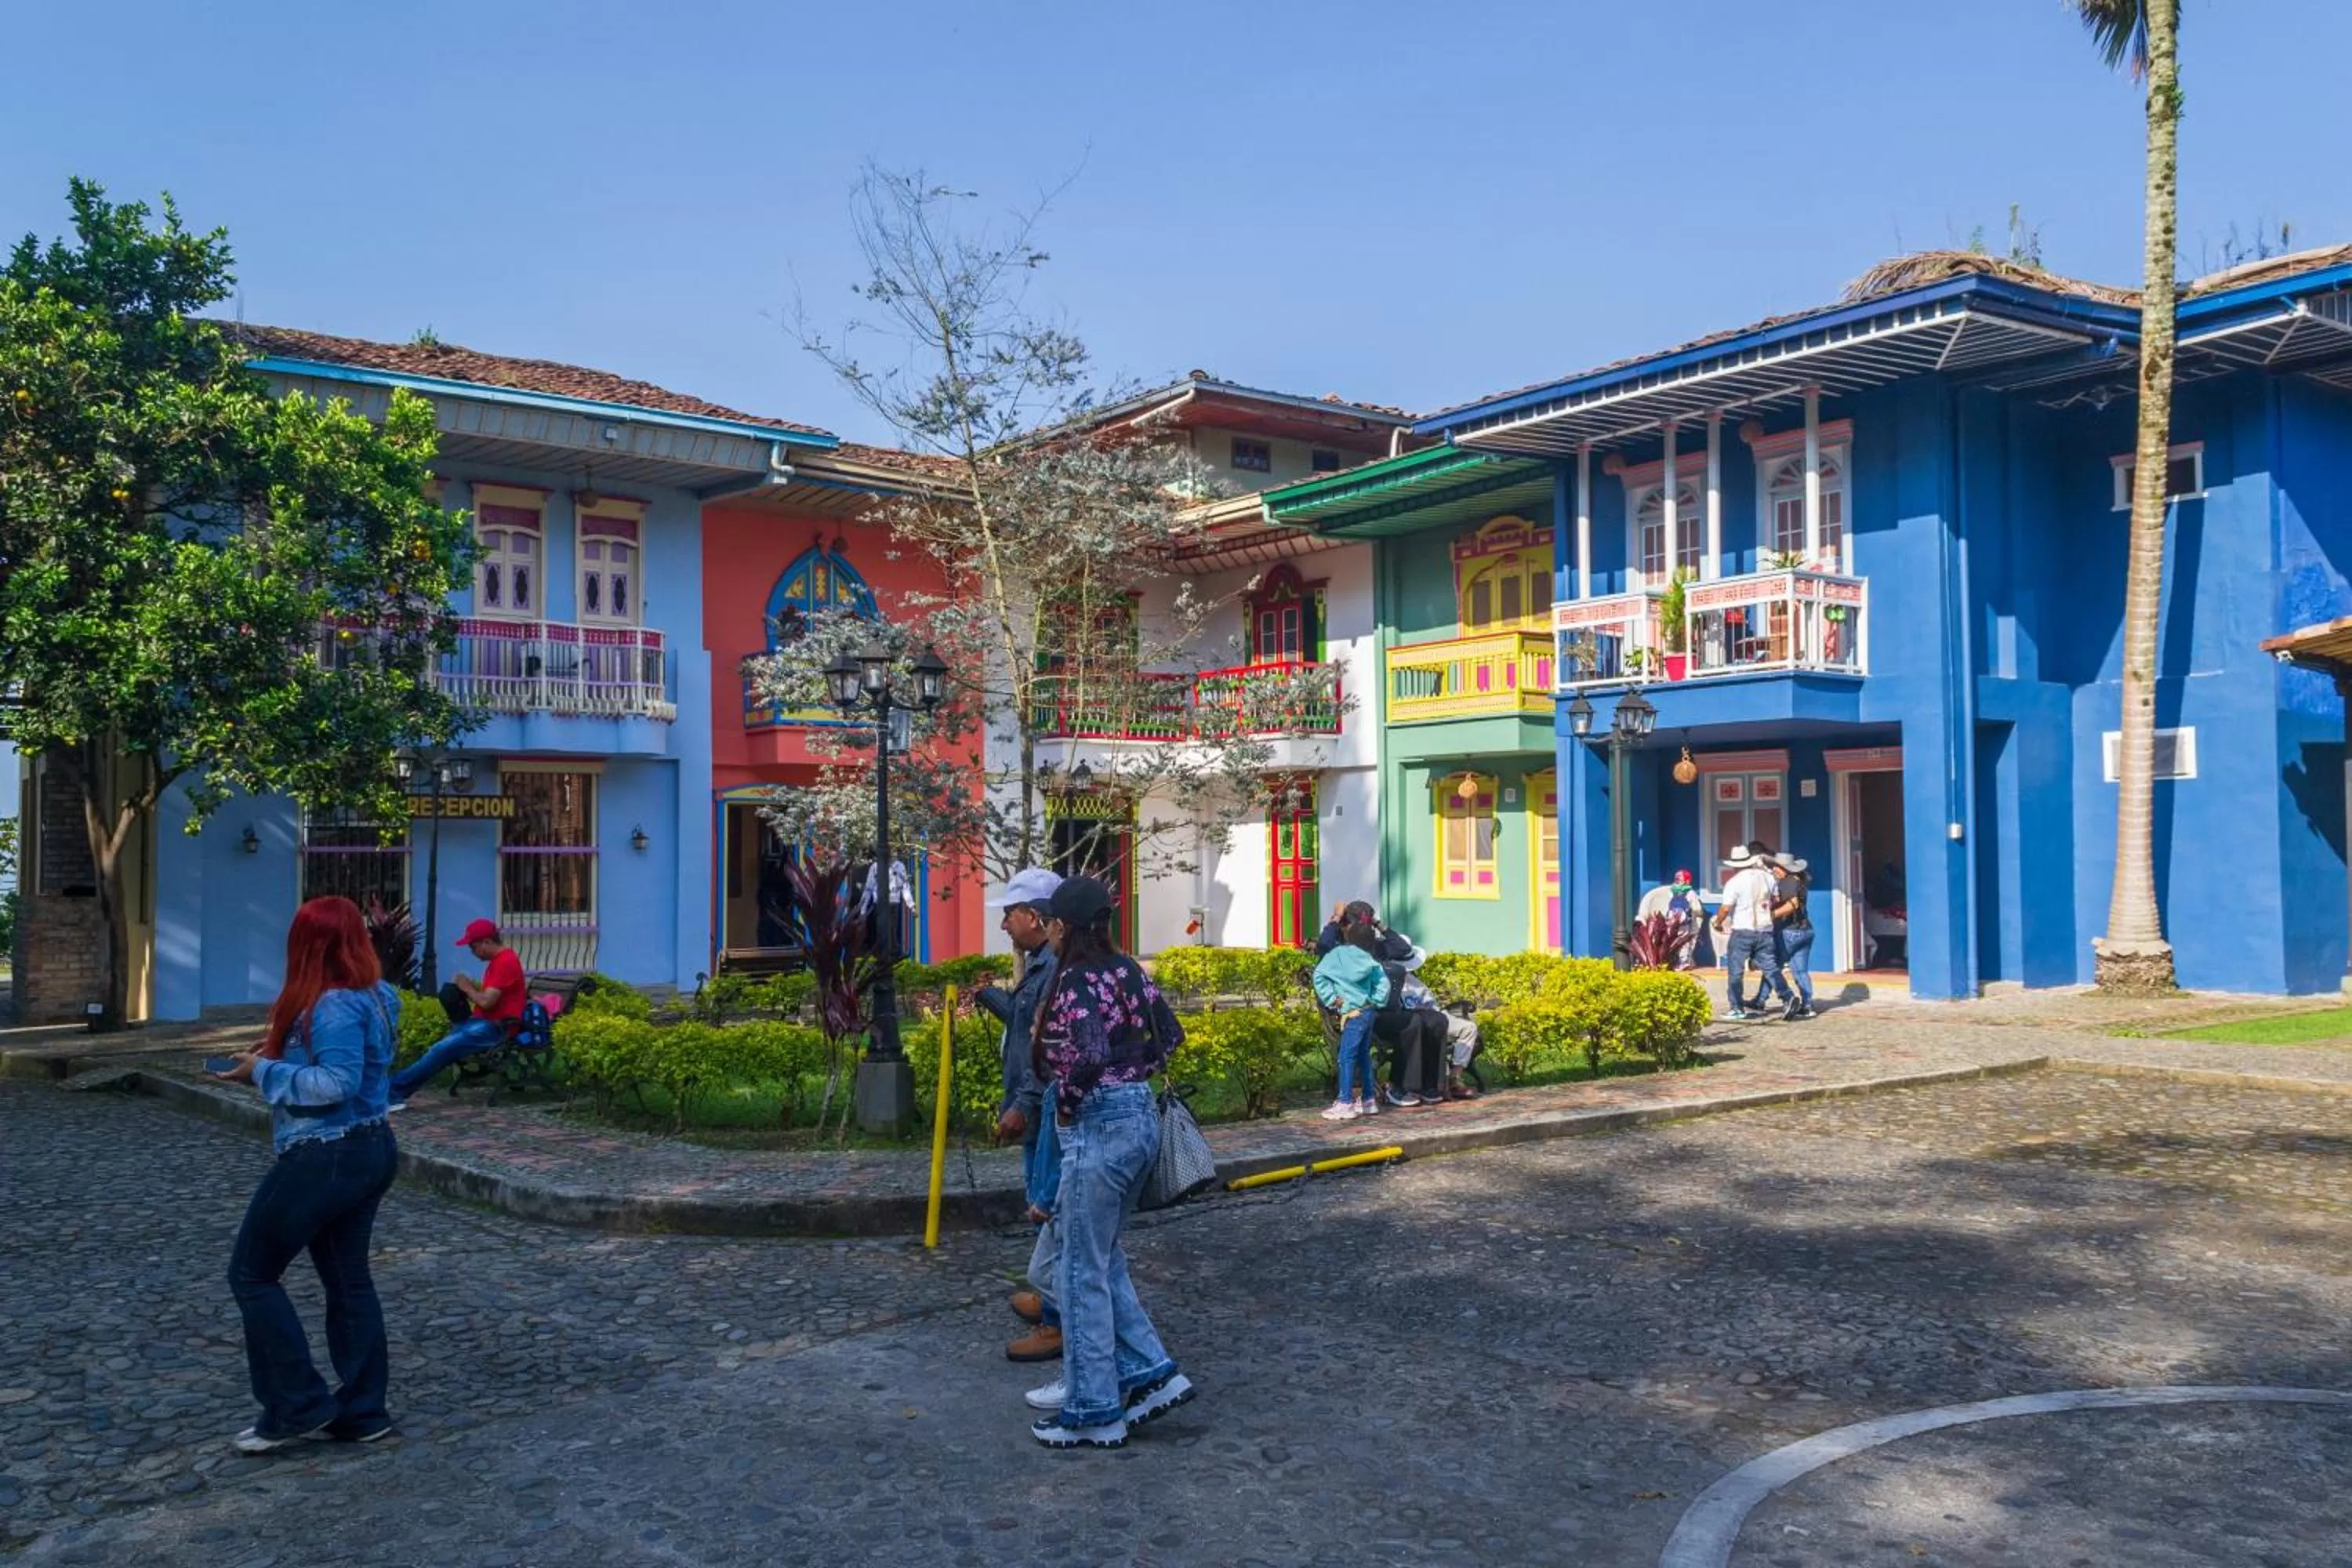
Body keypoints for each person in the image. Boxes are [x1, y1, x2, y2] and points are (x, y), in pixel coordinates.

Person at [209, 896, 402, 1453]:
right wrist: (278, 1055)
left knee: (252, 1274)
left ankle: (296, 1405)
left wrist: (264, 1072)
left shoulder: (334, 1004)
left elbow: (336, 1084)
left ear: (310, 944)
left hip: (327, 1153)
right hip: (370, 1148)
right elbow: (352, 1065)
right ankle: (364, 1412)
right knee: (348, 1280)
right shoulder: (378, 994)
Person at [1021, 876, 1194, 1449]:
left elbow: (1090, 1052)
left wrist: (1070, 1103)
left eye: (1051, 922)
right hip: (1139, 1116)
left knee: (1077, 1270)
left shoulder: (1075, 980)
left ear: (1063, 927)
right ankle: (1151, 1373)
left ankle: (1095, 1410)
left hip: (1099, 1124)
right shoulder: (1127, 971)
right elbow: (1171, 1036)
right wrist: (1133, 1072)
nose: (1048, 930)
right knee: (1100, 1259)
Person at [978, 868, 1065, 1364]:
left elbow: (1048, 1050)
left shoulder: (1054, 967)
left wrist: (1021, 1106)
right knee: (1041, 1203)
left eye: (1010, 914)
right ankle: (1048, 1297)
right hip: (1035, 1104)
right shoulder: (1039, 964)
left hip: (1043, 1107)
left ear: (1034, 916)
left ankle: (1057, 1319)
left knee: (1046, 1209)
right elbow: (1026, 1027)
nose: (1004, 924)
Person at [388, 919, 526, 1105]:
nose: (472, 952)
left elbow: (486, 1002)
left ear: (487, 942)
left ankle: (391, 1093)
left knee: (441, 1050)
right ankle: (391, 1090)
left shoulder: (505, 962)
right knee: (439, 1050)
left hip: (496, 1028)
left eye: (473, 947)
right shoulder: (498, 962)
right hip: (484, 1023)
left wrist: (467, 987)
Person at [1312, 920, 1389, 1119]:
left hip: (1351, 1013)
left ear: (1348, 937)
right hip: (1368, 1011)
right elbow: (1383, 985)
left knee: (1345, 1058)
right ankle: (1368, 1100)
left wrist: (1332, 999)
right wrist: (1375, 1001)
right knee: (1364, 1055)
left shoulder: (1337, 955)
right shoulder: (1370, 960)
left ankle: (1345, 1102)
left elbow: (1319, 975)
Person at [1712, 844, 1796, 1022]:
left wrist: (1717, 923)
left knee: (1735, 971)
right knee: (1770, 967)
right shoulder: (1768, 877)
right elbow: (1776, 899)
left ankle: (1736, 1008)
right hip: (1765, 930)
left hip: (1743, 930)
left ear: (1734, 865)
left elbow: (1726, 908)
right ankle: (1787, 996)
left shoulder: (1734, 882)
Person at [1773, 855, 1817, 1019]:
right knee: (1800, 971)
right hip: (1806, 930)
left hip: (1790, 931)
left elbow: (1793, 904)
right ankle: (1807, 1005)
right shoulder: (1800, 881)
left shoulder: (1788, 881)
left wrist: (1771, 915)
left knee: (1772, 966)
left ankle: (1764, 1000)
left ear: (1785, 868)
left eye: (1777, 866)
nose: (1774, 869)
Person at [1313, 899, 1415, 964]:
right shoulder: (1337, 946)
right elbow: (1323, 946)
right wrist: (1376, 922)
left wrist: (1337, 917)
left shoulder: (1373, 947)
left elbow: (1404, 948)